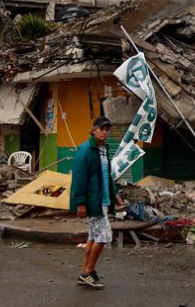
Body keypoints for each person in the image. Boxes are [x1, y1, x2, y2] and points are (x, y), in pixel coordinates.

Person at [70, 116, 121, 290]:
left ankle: (85, 270)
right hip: (94, 202)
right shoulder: (85, 150)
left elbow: (105, 176)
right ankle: (88, 273)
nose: (104, 132)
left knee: (93, 236)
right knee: (104, 237)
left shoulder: (103, 149)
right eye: (101, 128)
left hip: (103, 199)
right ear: (93, 130)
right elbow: (78, 178)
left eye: (107, 129)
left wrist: (115, 194)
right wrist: (81, 203)